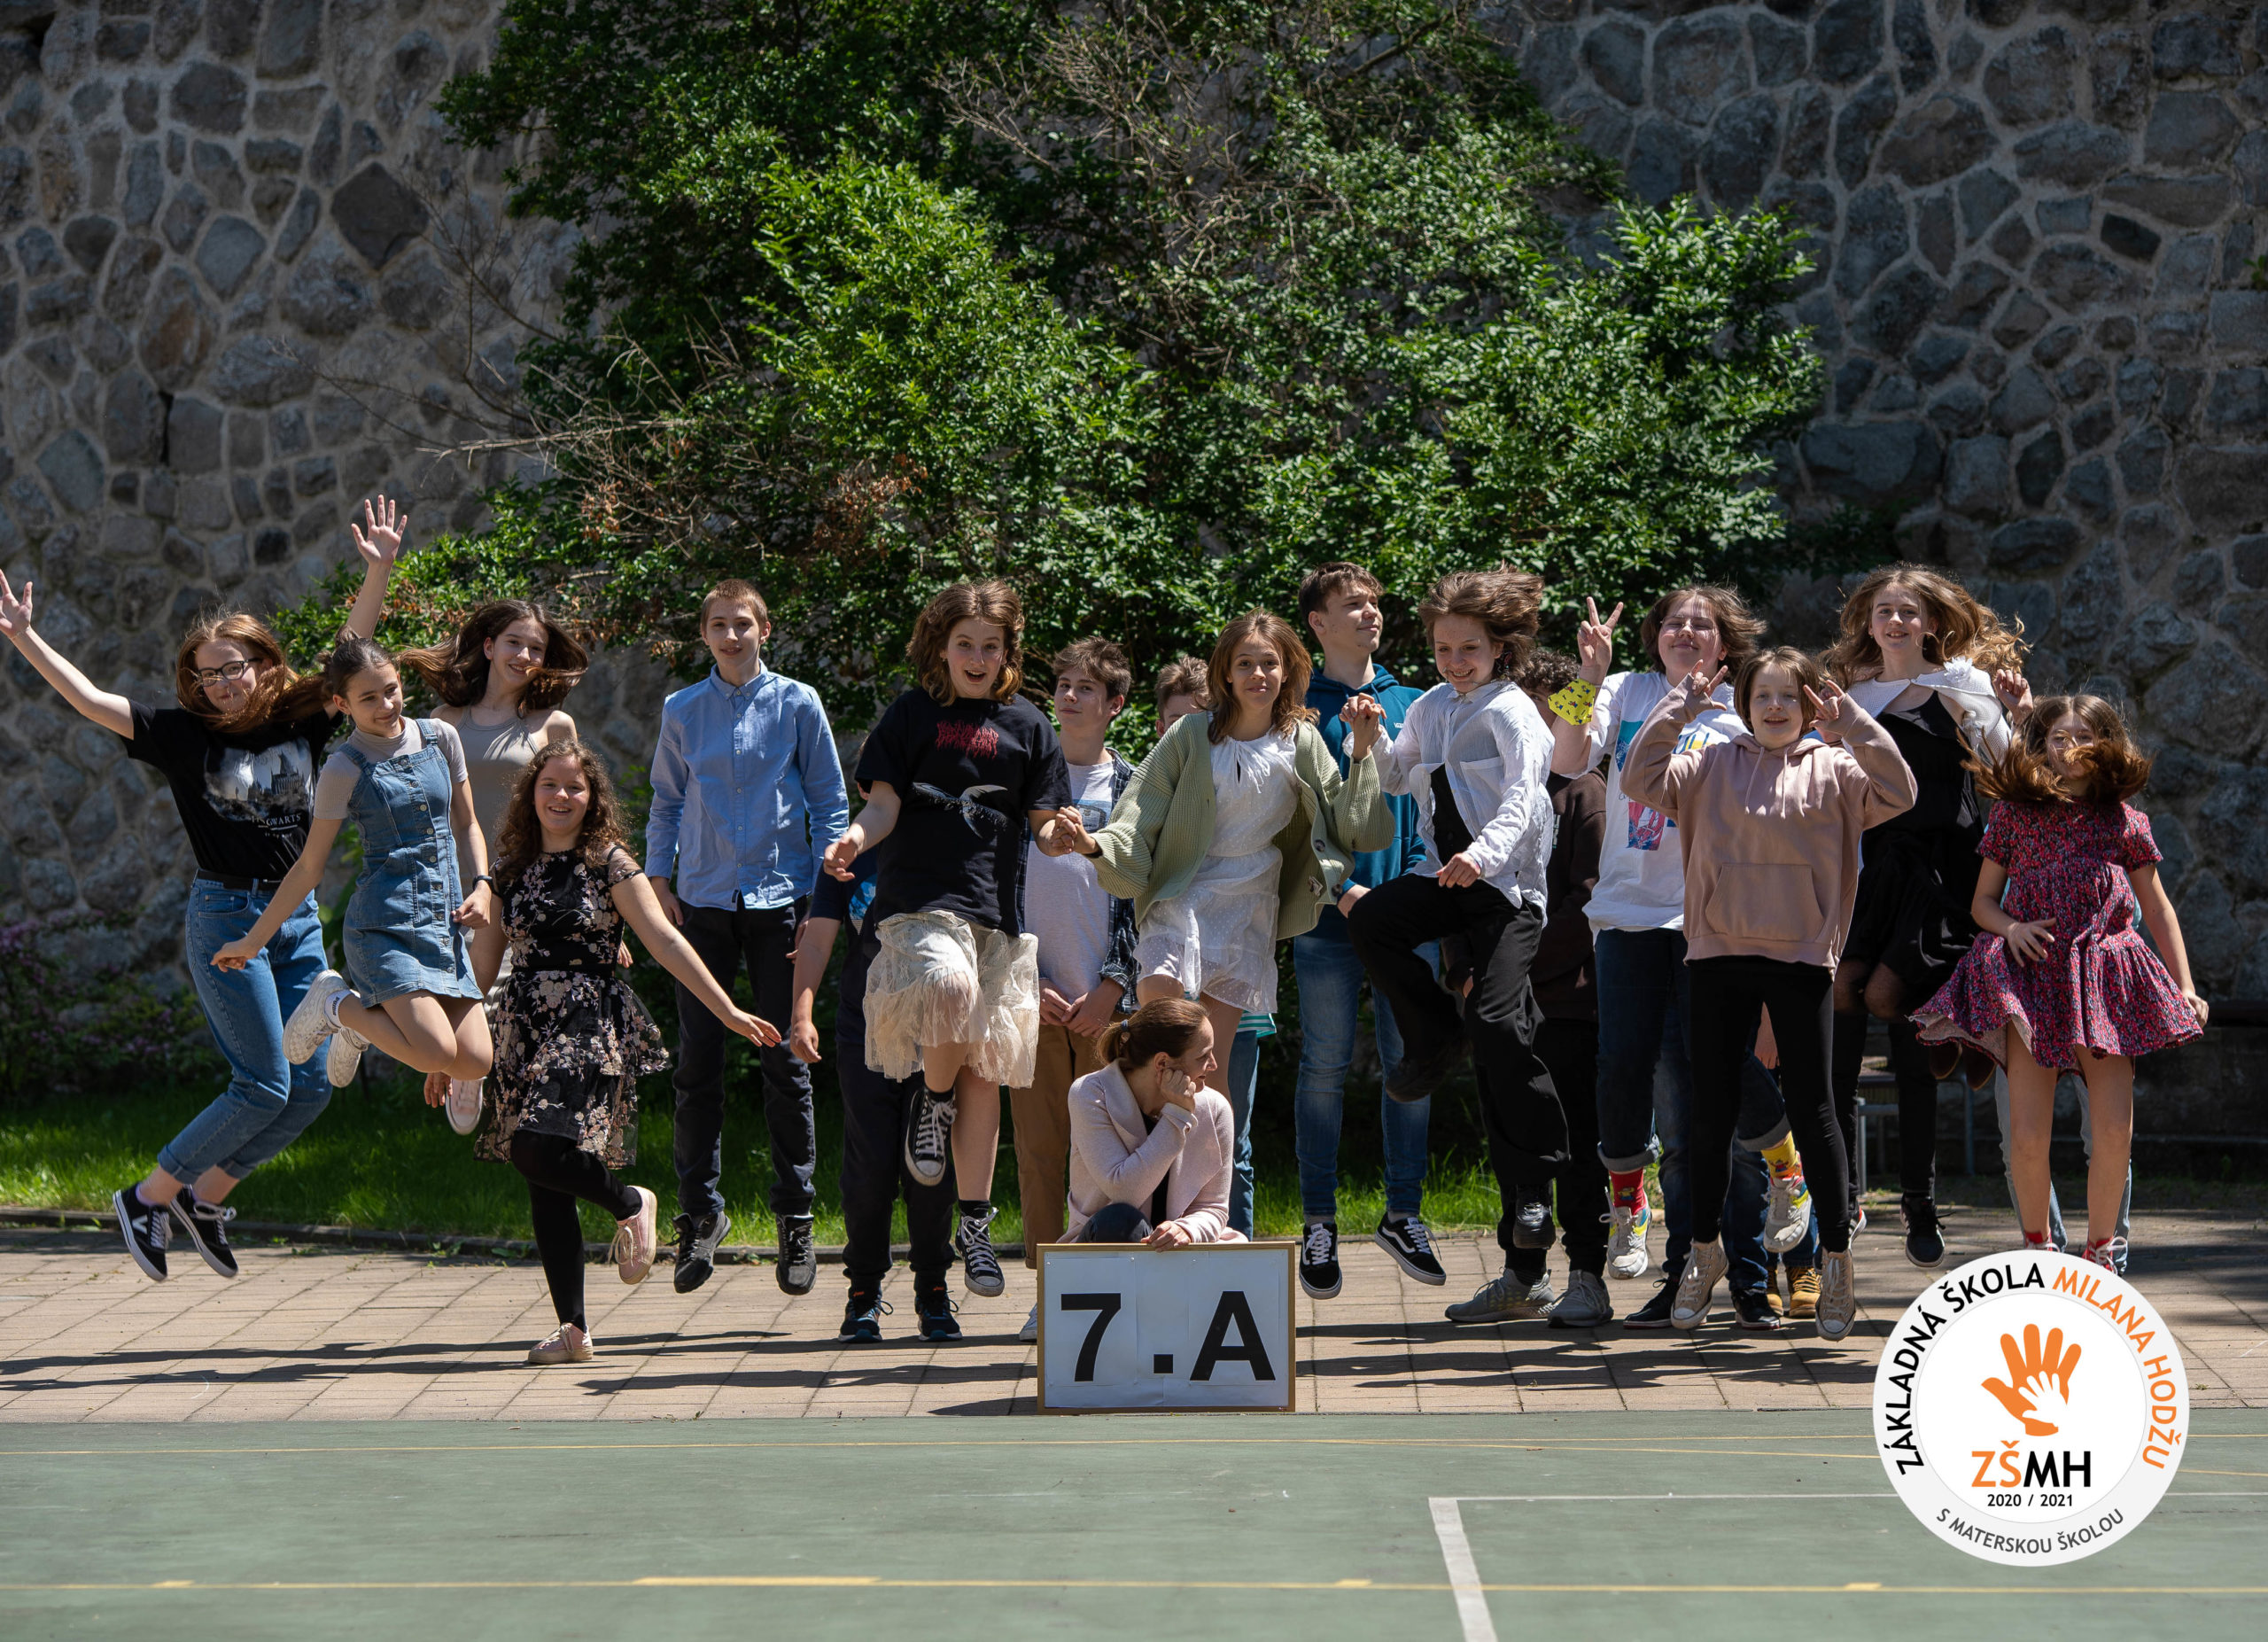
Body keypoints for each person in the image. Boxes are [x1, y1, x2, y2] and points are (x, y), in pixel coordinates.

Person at [0, 497, 402, 1284]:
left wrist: (379, 568)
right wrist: (23, 637)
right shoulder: (182, 737)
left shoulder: (301, 716)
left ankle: (206, 1197)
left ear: (262, 663)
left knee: (310, 1089)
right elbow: (90, 701)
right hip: (226, 914)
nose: (220, 683)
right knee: (263, 1082)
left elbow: (351, 651)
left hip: (295, 919)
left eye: (232, 667)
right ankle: (148, 1196)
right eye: (206, 674)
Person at [1625, 647, 1917, 1341]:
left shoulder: (1837, 767)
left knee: (1815, 1109)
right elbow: (1638, 777)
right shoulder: (1708, 764)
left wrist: (1854, 725)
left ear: (1811, 705)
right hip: (1718, 953)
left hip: (1802, 956)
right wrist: (1679, 708)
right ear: (1745, 704)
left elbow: (1901, 791)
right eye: (1764, 696)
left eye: (1791, 696)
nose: (1777, 707)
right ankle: (1704, 1252)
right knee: (1710, 1113)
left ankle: (1836, 1258)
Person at [463, 741, 778, 1365]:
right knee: (542, 1172)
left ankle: (631, 1202)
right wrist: (451, 1054)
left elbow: (664, 940)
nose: (561, 796)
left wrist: (727, 1010)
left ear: (592, 797)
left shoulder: (609, 862)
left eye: (574, 787)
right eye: (549, 785)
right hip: (523, 1025)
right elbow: (482, 969)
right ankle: (573, 1329)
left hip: (586, 1021)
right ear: (531, 793)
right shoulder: (508, 870)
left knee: (534, 1148)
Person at [1547, 587, 1807, 1332]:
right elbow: (1566, 758)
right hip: (1627, 915)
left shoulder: (1744, 707)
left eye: (1703, 623)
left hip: (1710, 919)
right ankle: (1632, 1204)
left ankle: (1787, 1178)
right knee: (1621, 1064)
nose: (1686, 631)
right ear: (1655, 634)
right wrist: (1587, 675)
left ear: (1725, 641)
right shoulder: (1626, 690)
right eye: (1673, 621)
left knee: (1722, 1071)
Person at [822, 580, 1078, 1301]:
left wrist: (1065, 834)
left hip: (994, 918)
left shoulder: (1030, 725)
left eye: (990, 645)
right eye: (964, 643)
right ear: (941, 646)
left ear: (1007, 651)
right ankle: (929, 1103)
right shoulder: (911, 714)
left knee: (984, 1072)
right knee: (949, 985)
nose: (976, 656)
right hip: (918, 909)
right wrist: (853, 838)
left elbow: (1043, 824)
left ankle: (975, 1222)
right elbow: (882, 806)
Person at [1062, 614, 1388, 1156]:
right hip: (1181, 894)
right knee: (1157, 1033)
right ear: (1226, 673)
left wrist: (1361, 751)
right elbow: (1138, 813)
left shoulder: (1301, 741)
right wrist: (1095, 845)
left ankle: (1208, 1196)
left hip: (1248, 902)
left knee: (1208, 1069)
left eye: (1269, 663)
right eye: (1245, 663)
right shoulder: (1191, 734)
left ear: (1287, 671)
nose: (1258, 674)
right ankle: (1134, 1174)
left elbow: (1353, 827)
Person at [1914, 696, 2207, 1269]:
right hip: (2033, 979)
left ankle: (2102, 1253)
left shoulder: (2124, 820)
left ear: (2107, 743)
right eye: (2058, 738)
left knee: (2114, 1132)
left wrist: (2186, 985)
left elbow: (2157, 906)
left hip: (2104, 977)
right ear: (2041, 746)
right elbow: (1981, 903)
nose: (2071, 748)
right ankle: (2038, 1250)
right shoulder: (2015, 816)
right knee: (2027, 1135)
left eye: (2084, 736)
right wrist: (2012, 927)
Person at [1348, 568, 1564, 1309]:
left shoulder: (1514, 712)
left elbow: (1525, 797)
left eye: (1469, 648)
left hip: (1504, 890)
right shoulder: (1432, 707)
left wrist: (1483, 854)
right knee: (1373, 918)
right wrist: (1369, 740)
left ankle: (1534, 1190)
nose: (1455, 661)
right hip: (1448, 880)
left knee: (1500, 1023)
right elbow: (1395, 777)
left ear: (1499, 647)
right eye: (1443, 649)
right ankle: (1436, 1036)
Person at [645, 580, 848, 1298]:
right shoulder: (682, 709)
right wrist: (657, 881)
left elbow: (829, 802)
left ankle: (796, 1216)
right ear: (704, 634)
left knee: (786, 1063)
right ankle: (699, 1214)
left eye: (743, 624)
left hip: (781, 902)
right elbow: (667, 801)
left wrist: (826, 895)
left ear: (765, 629)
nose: (731, 636)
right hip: (701, 903)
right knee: (697, 1063)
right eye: (718, 625)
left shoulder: (799, 703)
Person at [1826, 564, 2031, 1269]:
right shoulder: (1854, 697)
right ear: (1869, 621)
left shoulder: (1964, 686)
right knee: (1842, 991)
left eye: (1909, 611)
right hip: (1876, 869)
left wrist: (2015, 713)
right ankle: (1842, 1194)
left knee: (1892, 999)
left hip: (1947, 874)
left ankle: (1919, 1197)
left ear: (1933, 623)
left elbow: (2010, 774)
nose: (1896, 620)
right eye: (1885, 610)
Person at [213, 638, 495, 1093]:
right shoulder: (343, 768)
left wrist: (482, 885)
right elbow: (308, 867)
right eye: (369, 698)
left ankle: (360, 1023)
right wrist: (252, 941)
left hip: (442, 926)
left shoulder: (442, 737)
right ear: (342, 704)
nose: (386, 706)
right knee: (435, 1053)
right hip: (384, 929)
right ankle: (338, 1005)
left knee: (476, 1062)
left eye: (391, 690)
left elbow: (467, 824)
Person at [1445, 648, 1614, 1327]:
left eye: (1543, 711)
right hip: (1497, 1002)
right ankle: (1523, 1274)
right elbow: (1456, 890)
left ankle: (1588, 1275)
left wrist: (1514, 965)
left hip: (1565, 1002)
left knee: (1574, 1139)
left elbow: (1588, 901)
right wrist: (1465, 969)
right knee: (1511, 1134)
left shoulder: (1585, 792)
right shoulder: (1484, 791)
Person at [1291, 562, 1437, 1300]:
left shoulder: (1412, 702)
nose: (1371, 613)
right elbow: (1292, 821)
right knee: (1323, 1069)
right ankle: (1318, 1223)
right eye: (1353, 604)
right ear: (1318, 623)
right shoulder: (1295, 709)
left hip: (1406, 918)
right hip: (1327, 920)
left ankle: (1403, 1213)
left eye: (1375, 602)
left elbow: (1427, 808)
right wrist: (1345, 891)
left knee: (1413, 1062)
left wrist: (1409, 891)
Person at [402, 598, 589, 1137]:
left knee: (492, 992)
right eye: (514, 643)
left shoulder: (553, 724)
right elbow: (422, 805)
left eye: (536, 648)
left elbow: (572, 811)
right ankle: (455, 1062)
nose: (525, 656)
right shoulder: (443, 721)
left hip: (522, 884)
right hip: (451, 882)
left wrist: (592, 903)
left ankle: (468, 1072)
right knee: (445, 990)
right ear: (488, 646)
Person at [1005, 638, 1141, 1340]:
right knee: (1038, 1152)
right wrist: (1024, 977)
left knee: (1105, 1158)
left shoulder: (1134, 785)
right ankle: (1047, 1290)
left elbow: (1146, 892)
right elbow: (995, 887)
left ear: (1115, 704)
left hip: (1107, 1009)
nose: (1069, 696)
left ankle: (1106, 1287)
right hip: (1031, 999)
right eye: (1062, 684)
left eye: (1086, 687)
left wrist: (1114, 985)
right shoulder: (1023, 779)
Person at [791, 836, 967, 1343]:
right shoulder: (845, 857)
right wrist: (801, 1015)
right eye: (869, 792)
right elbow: (817, 941)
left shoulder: (944, 842)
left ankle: (933, 1288)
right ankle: (863, 1292)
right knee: (868, 1169)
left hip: (934, 1032)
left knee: (929, 1166)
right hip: (863, 1028)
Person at [1155, 663, 1268, 1240]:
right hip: (1170, 980)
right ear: (1159, 726)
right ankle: (1167, 1235)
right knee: (1166, 1115)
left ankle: (1233, 1249)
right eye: (1177, 721)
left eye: (1200, 721)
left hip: (1235, 982)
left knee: (1230, 1131)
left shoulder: (1245, 781)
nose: (1189, 733)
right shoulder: (1150, 790)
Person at [1064, 999, 1243, 1246]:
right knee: (1121, 1221)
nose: (1213, 1065)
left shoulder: (1215, 1108)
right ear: (1162, 1063)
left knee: (1239, 1251)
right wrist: (1177, 1115)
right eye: (1203, 1056)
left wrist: (1186, 1231)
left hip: (1183, 1251)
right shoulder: (1090, 1093)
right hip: (1107, 1244)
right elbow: (1125, 1192)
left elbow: (1214, 1207)